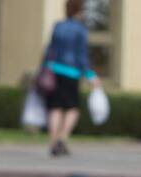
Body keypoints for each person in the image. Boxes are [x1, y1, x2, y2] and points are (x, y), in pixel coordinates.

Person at [41, 0, 101, 157]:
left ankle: (53, 142)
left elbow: (49, 50)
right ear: (79, 11)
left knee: (55, 108)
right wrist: (90, 75)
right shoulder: (80, 30)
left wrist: (44, 68)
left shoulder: (58, 26)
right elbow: (82, 55)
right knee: (72, 109)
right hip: (71, 73)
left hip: (54, 71)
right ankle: (62, 139)